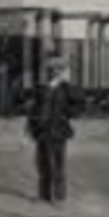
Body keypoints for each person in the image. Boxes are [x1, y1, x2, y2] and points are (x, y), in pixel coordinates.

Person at [27, 54, 83, 205]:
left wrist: (68, 115)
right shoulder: (41, 88)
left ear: (61, 71)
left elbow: (79, 106)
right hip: (42, 131)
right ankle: (43, 195)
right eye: (50, 70)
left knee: (58, 165)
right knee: (42, 164)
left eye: (56, 69)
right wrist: (31, 126)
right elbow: (34, 109)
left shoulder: (67, 89)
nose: (52, 72)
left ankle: (58, 197)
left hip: (58, 131)